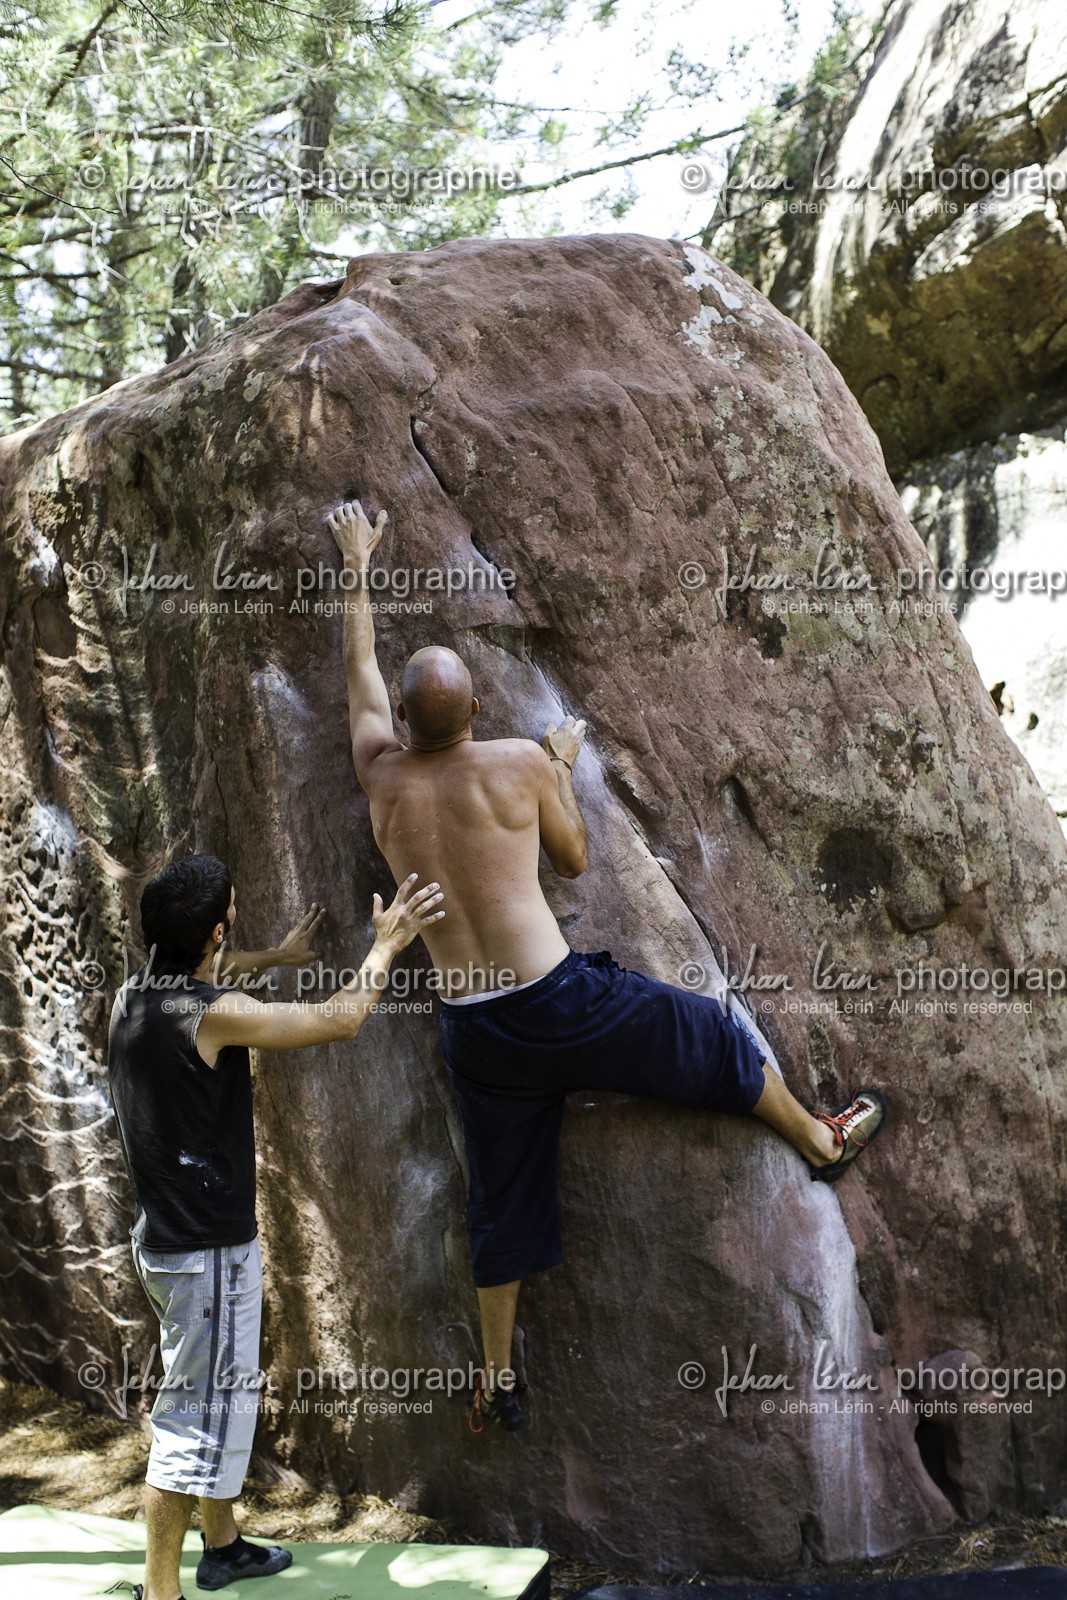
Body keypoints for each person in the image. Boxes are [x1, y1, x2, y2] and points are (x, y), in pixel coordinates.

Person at [328, 498, 886, 1434]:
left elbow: (358, 678)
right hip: (559, 1004)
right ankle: (820, 1140)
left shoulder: (379, 775)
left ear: (408, 722)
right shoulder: (514, 761)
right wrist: (556, 766)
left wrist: (354, 565)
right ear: (472, 710)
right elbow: (575, 859)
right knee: (706, 1029)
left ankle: (497, 1378)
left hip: (474, 1030)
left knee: (499, 1196)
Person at [108, 855, 443, 1599]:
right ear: (218, 930)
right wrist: (386, 944)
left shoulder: (136, 992)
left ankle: (222, 1545)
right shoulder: (210, 1015)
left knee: (215, 1397)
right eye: (232, 917)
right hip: (207, 1254)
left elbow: (210, 978)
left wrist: (278, 958)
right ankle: (159, 1593)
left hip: (165, 1244)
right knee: (191, 1427)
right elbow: (341, 1019)